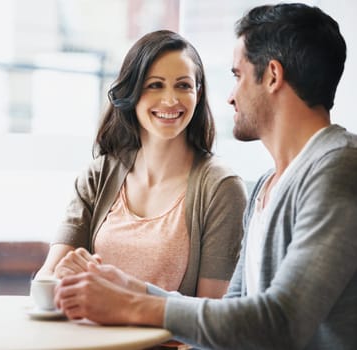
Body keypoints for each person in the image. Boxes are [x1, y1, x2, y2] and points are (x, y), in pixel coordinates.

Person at [54, 3, 357, 350]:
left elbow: (281, 322)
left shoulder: (340, 168)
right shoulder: (264, 187)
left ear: (272, 75)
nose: (229, 97)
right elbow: (230, 314)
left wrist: (133, 304)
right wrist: (128, 287)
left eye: (238, 76)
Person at [36, 30, 247, 299]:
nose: (171, 100)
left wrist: (117, 293)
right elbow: (47, 279)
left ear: (198, 92)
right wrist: (60, 278)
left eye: (183, 85)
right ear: (132, 92)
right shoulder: (98, 175)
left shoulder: (221, 188)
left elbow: (212, 314)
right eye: (155, 85)